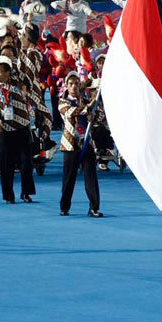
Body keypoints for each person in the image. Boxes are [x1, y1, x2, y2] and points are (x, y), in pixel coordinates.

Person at [0, 55, 50, 204]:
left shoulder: (20, 85)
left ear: (8, 72)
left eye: (0, 72)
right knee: (5, 164)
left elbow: (27, 77)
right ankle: (8, 195)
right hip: (4, 130)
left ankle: (26, 193)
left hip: (22, 128)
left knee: (26, 163)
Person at [58, 71, 102, 217]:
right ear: (66, 86)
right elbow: (71, 112)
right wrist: (88, 108)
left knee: (91, 176)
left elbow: (97, 117)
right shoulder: (63, 101)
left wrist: (93, 114)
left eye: (77, 83)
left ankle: (94, 208)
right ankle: (64, 207)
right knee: (69, 178)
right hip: (70, 144)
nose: (74, 86)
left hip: (86, 143)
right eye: (71, 84)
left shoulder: (85, 100)